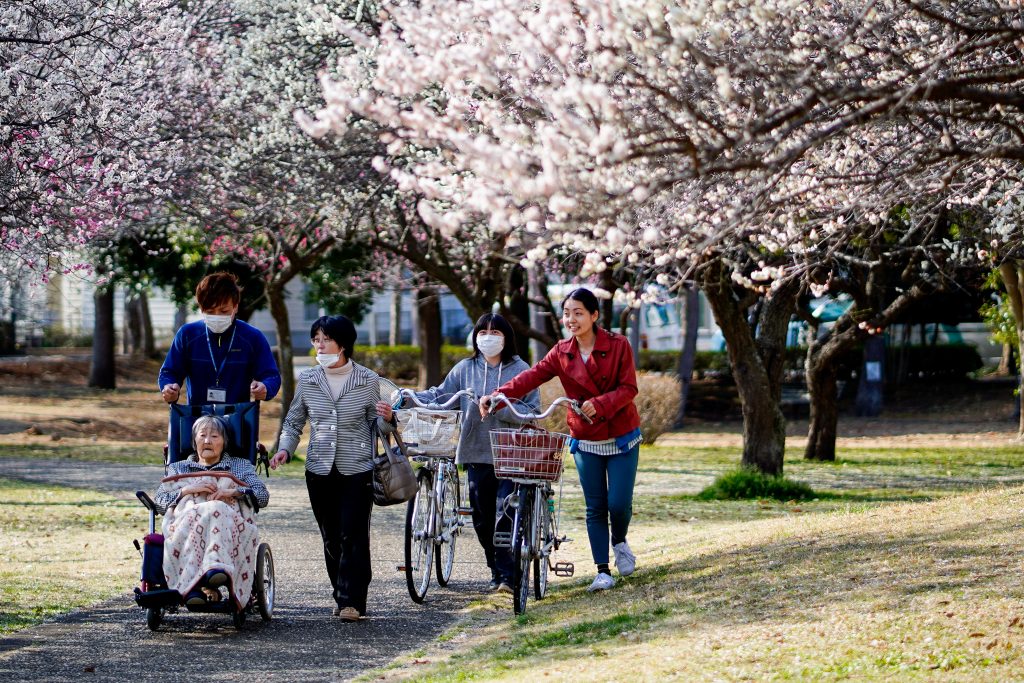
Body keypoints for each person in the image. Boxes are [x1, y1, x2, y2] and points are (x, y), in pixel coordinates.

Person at [481, 287, 641, 593]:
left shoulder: (619, 345)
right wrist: (498, 396)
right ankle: (602, 570)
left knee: (619, 504)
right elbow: (531, 377)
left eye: (578, 313)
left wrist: (603, 403)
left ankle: (619, 540)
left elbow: (629, 388)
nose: (571, 319)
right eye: (567, 313)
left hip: (621, 436)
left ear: (594, 316)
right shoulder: (561, 352)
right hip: (585, 437)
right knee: (595, 507)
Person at [269, 315, 397, 622]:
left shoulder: (367, 380)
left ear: (343, 344)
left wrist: (388, 417)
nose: (320, 345)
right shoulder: (309, 379)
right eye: (316, 339)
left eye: (326, 339)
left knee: (353, 534)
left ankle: (352, 599)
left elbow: (377, 425)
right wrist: (285, 449)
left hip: (358, 468)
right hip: (319, 469)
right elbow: (293, 421)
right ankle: (339, 594)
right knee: (331, 536)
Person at [409, 313, 540, 593]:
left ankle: (507, 576)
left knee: (505, 512)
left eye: (495, 332)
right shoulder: (465, 368)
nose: (488, 337)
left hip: (511, 453)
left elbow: (533, 410)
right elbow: (442, 395)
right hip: (475, 452)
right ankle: (496, 568)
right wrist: (413, 397)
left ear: (507, 338)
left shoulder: (521, 369)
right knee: (481, 518)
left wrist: (502, 408)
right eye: (483, 332)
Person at [155, 415, 269, 608]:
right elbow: (158, 503)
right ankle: (204, 580)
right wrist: (187, 490)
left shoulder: (239, 466)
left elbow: (262, 496)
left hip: (231, 526)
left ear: (224, 442)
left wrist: (233, 491)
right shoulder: (178, 468)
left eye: (215, 436)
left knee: (216, 508)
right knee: (210, 509)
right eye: (202, 435)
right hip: (185, 524)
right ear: (194, 441)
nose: (207, 440)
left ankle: (212, 571)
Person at [158, 272, 281, 405]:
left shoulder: (252, 337)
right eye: (210, 312)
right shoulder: (187, 335)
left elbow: (271, 375)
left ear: (235, 307)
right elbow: (169, 371)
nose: (217, 316)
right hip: (196, 419)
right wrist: (169, 387)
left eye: (224, 311)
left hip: (238, 418)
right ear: (201, 308)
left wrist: (266, 388)